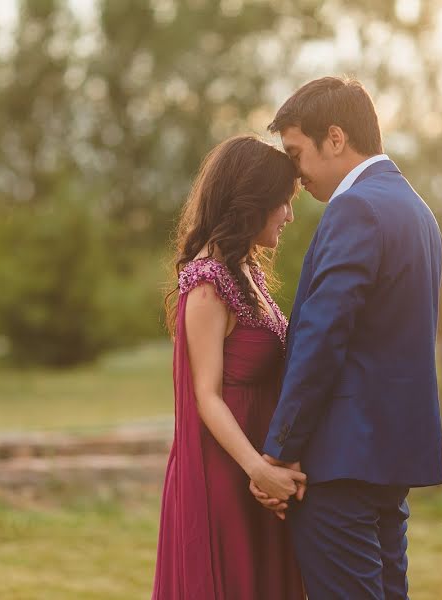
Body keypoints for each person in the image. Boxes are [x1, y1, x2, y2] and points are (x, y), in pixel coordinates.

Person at [251, 76, 442, 600]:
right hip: (390, 463)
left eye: (296, 154)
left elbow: (322, 333)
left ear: (335, 138)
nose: (295, 175)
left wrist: (281, 451)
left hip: (338, 463)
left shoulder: (355, 208)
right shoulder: (419, 213)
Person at [152, 135, 306, 599]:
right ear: (251, 201)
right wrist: (257, 471)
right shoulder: (205, 285)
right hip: (225, 473)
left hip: (258, 465)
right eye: (282, 202)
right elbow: (206, 395)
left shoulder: (246, 271)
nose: (289, 215)